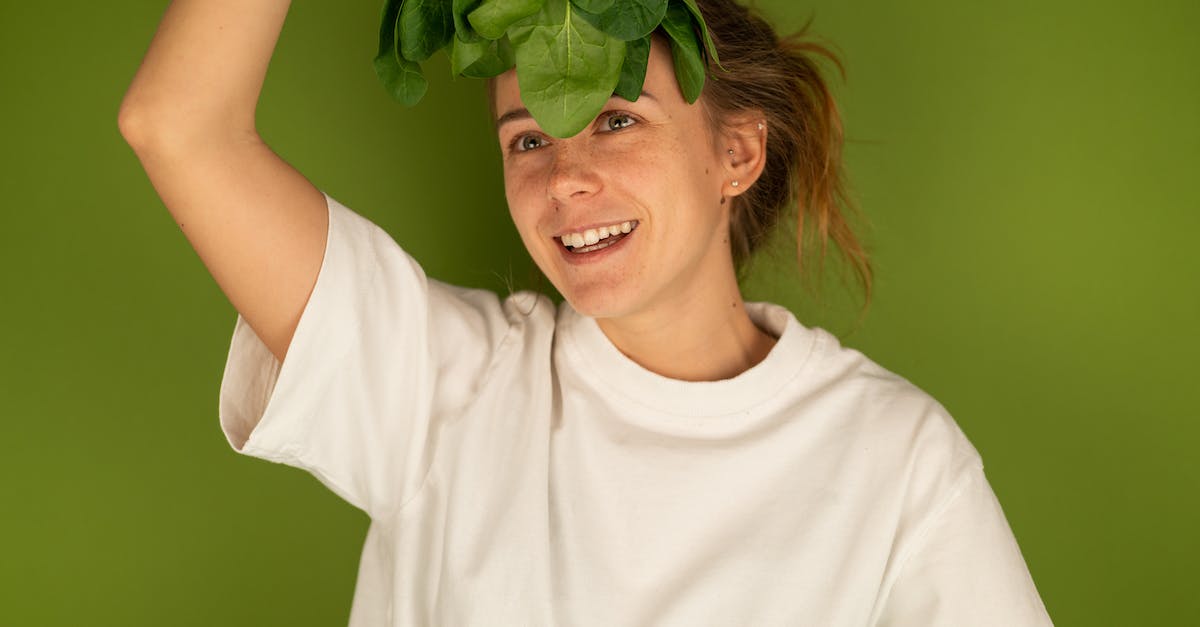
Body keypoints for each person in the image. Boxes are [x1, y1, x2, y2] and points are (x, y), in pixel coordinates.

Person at [119, 0, 1053, 625]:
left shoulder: (898, 461)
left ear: (737, 154)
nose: (564, 178)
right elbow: (177, 124)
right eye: (526, 138)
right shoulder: (447, 387)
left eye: (615, 119)